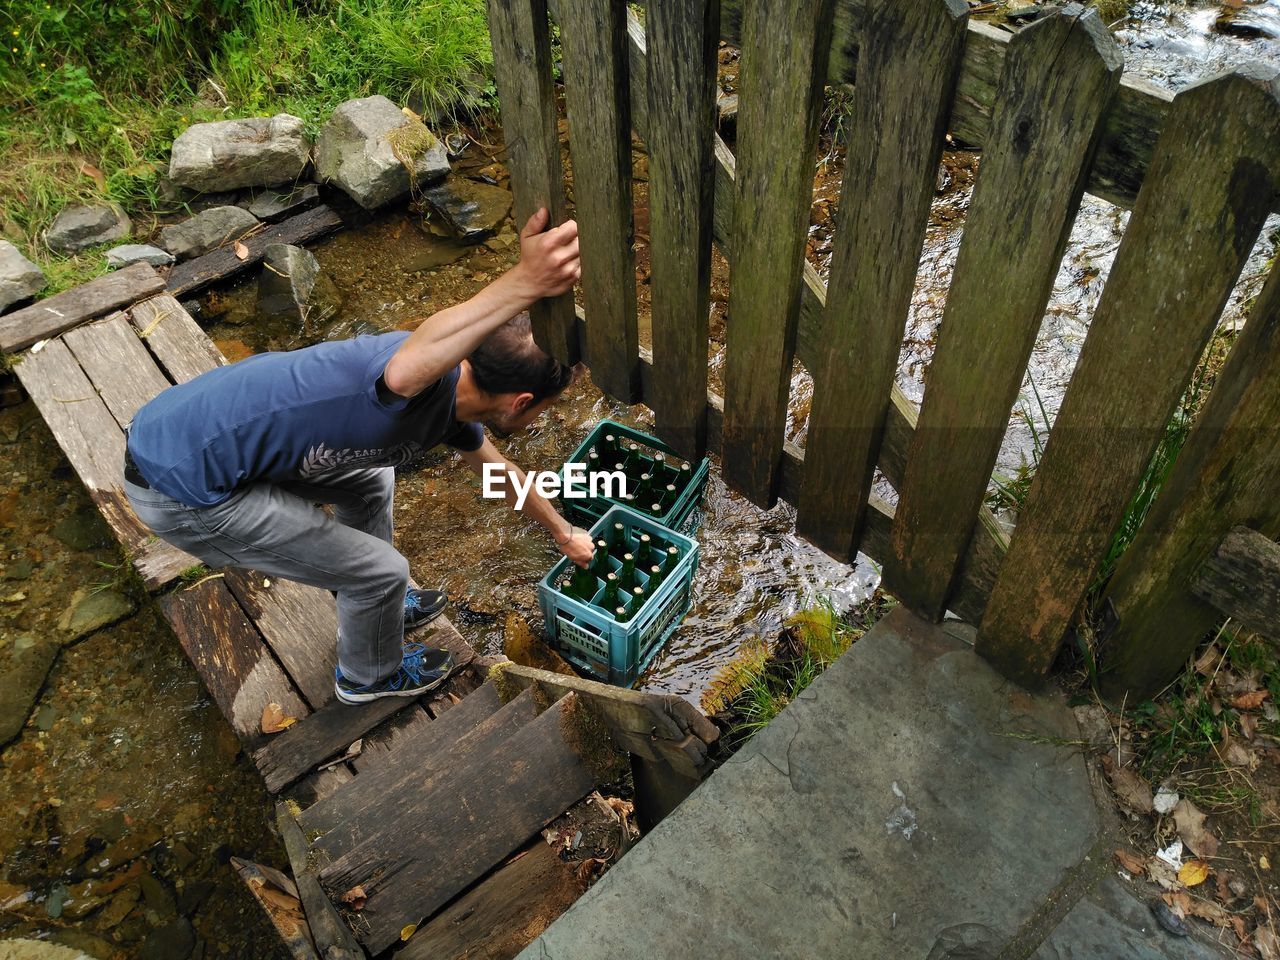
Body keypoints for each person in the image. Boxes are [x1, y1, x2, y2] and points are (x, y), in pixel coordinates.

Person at [123, 209, 595, 704]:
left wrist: (563, 535)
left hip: (192, 438)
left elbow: (503, 475)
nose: (544, 418)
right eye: (548, 406)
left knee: (374, 481)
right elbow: (402, 373)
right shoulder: (411, 379)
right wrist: (523, 280)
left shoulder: (457, 388)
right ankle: (367, 677)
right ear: (522, 401)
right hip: (181, 489)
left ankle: (378, 607)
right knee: (383, 571)